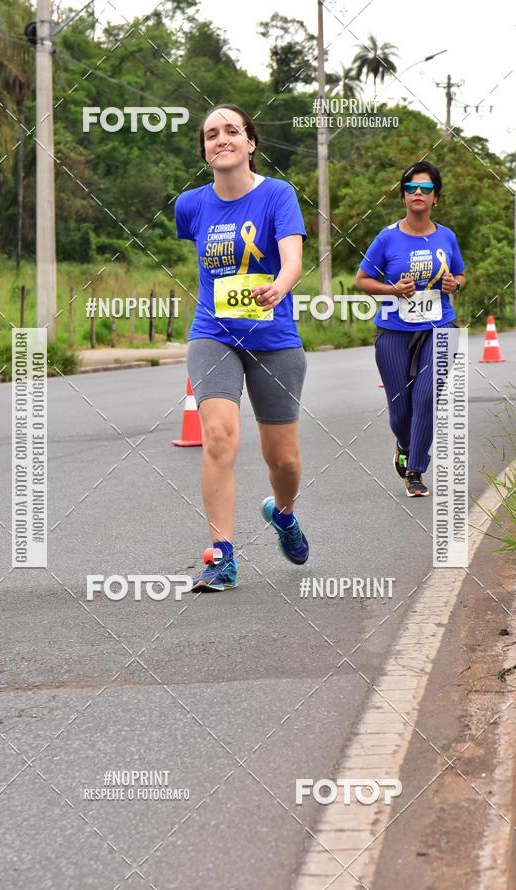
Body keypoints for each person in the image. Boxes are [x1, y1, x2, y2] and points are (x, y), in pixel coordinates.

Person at [174, 104, 309, 591]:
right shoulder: (190, 205)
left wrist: (279, 285)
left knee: (284, 460)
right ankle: (222, 555)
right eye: (212, 134)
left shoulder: (278, 194)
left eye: (232, 131)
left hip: (275, 340)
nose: (222, 139)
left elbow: (292, 255)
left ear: (251, 142)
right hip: (213, 334)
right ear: (205, 151)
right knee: (220, 437)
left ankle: (285, 514)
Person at [355, 161, 466, 498]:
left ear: (435, 198)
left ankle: (416, 470)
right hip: (394, 328)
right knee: (401, 406)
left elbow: (461, 274)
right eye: (412, 188)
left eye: (427, 189)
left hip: (440, 326)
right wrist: (393, 290)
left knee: (427, 396)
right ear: (403, 196)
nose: (419, 193)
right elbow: (362, 280)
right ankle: (405, 444)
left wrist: (454, 284)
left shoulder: (447, 236)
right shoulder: (387, 238)